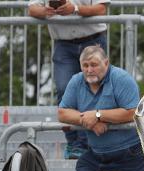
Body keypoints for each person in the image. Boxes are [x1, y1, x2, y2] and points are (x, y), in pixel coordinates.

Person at [58, 46, 144, 171]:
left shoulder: (121, 78)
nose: (89, 70)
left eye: (94, 64)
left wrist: (98, 115)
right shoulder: (76, 81)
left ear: (106, 63)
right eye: (85, 65)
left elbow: (132, 111)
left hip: (129, 155)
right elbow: (62, 112)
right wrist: (87, 120)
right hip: (96, 154)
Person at [28, 0, 109, 159]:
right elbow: (32, 9)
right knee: (64, 90)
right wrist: (45, 11)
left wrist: (76, 9)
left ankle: (86, 143)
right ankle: (74, 143)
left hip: (92, 40)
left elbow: (101, 9)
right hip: (63, 45)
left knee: (93, 90)